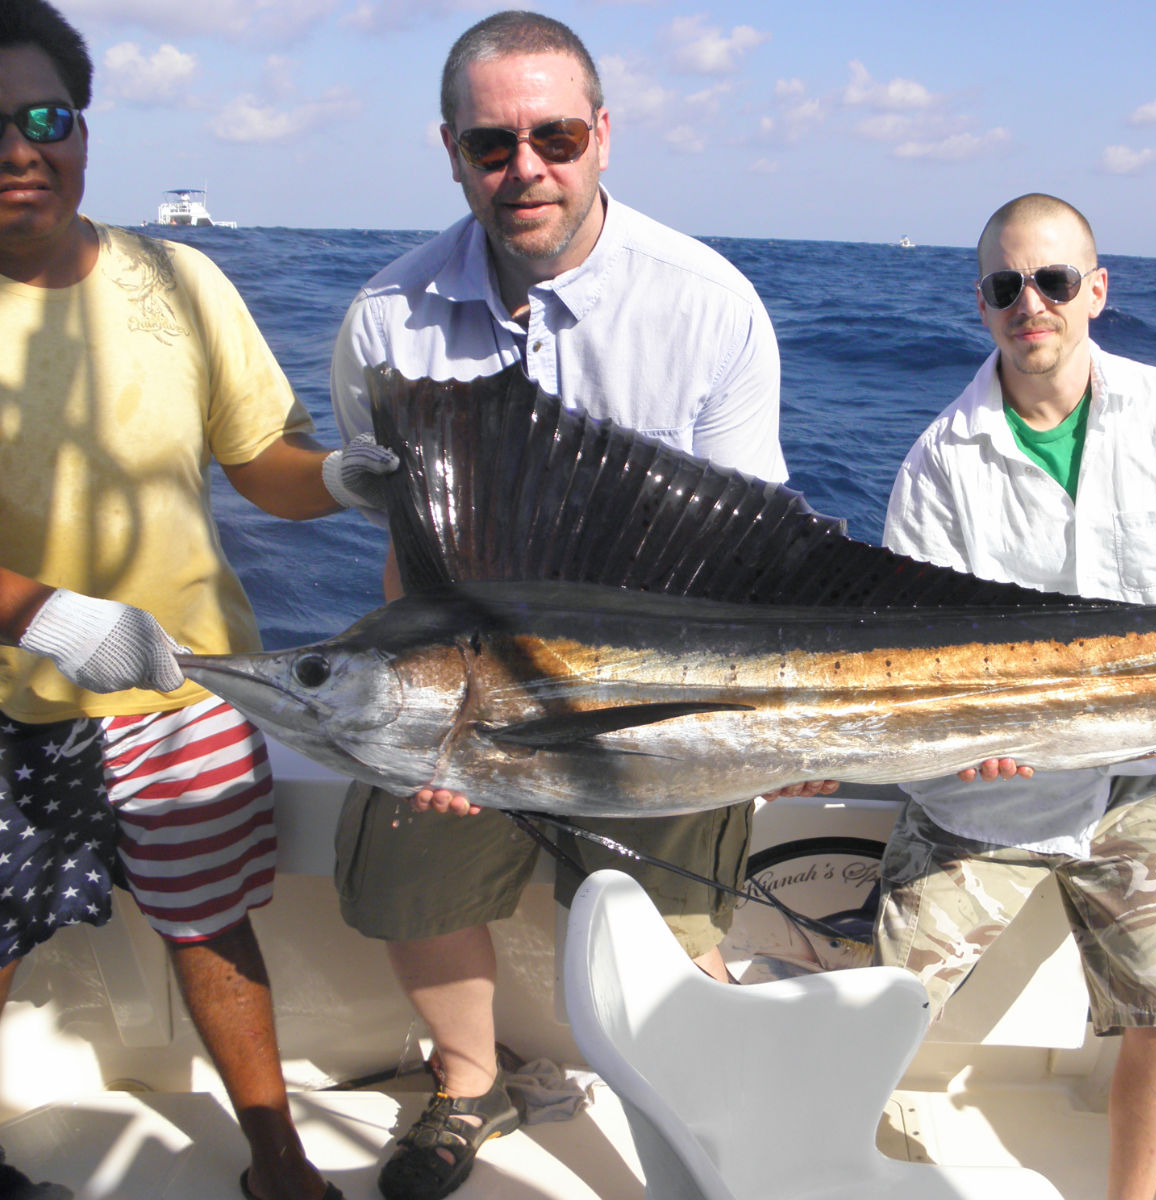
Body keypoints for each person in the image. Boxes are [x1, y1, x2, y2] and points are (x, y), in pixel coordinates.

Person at [326, 12, 805, 1199]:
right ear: (451, 151)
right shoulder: (386, 317)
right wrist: (433, 730)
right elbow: (407, 557)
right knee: (399, 878)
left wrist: (772, 731)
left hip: (658, 692)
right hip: (468, 686)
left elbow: (750, 561)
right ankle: (466, 1081)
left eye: (554, 137)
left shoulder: (709, 303)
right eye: (492, 145)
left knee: (673, 948)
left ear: (602, 134)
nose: (525, 168)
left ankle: (707, 1113)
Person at [0, 4, 396, 1197]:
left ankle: (278, 1161)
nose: (19, 149)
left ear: (82, 128)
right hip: (10, 706)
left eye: (43, 117)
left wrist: (342, 479)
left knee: (212, 923)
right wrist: (41, 615)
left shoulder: (181, 279)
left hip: (185, 686)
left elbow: (260, 462)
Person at [873, 192, 1156, 1200]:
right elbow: (913, 646)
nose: (1030, 303)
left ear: (1096, 290)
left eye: (1053, 280)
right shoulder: (938, 463)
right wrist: (961, 744)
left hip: (1137, 781)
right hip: (983, 796)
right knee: (880, 1005)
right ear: (981, 305)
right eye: (1005, 286)